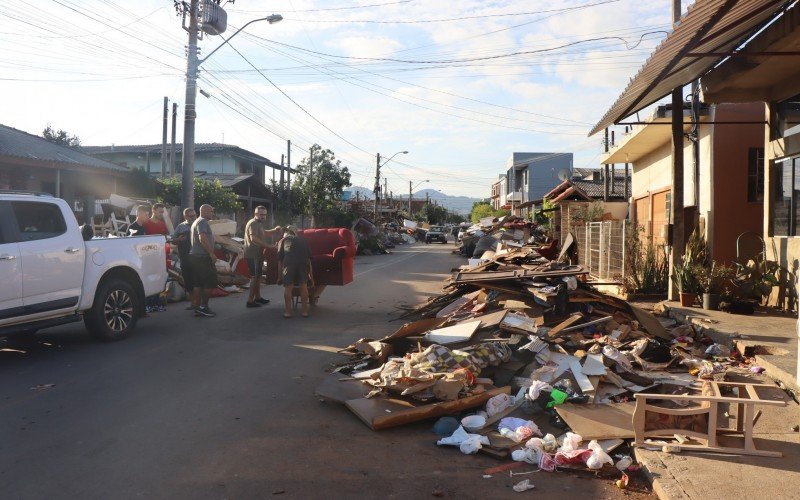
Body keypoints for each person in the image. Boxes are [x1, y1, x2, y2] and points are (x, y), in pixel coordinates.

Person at [243, 206, 282, 308]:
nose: (263, 216)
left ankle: (258, 297)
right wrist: (268, 246)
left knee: (258, 277)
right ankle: (250, 301)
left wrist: (274, 230)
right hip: (253, 255)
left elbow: (264, 233)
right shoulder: (253, 223)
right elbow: (253, 238)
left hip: (258, 255)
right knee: (254, 277)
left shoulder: (258, 224)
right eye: (261, 214)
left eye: (264, 215)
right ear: (255, 214)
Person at [277, 225, 313, 318]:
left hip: (289, 264)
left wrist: (280, 277)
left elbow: (280, 261)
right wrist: (311, 277)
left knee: (288, 288)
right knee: (303, 286)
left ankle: (288, 312)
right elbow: (309, 260)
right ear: (295, 232)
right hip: (303, 264)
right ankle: (304, 312)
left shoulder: (283, 241)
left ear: (286, 233)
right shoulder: (303, 240)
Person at [189, 204, 218, 318]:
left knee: (198, 284)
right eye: (211, 211)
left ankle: (197, 307)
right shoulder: (202, 222)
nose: (212, 213)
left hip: (195, 257)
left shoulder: (196, 222)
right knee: (209, 283)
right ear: (205, 211)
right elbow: (202, 237)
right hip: (203, 257)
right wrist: (211, 253)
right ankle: (203, 307)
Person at [172, 207, 198, 310]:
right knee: (188, 281)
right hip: (185, 258)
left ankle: (199, 303)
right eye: (190, 216)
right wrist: (179, 239)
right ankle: (193, 303)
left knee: (198, 281)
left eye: (194, 215)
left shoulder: (199, 225)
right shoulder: (180, 227)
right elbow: (173, 241)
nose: (193, 217)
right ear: (185, 216)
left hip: (198, 258)